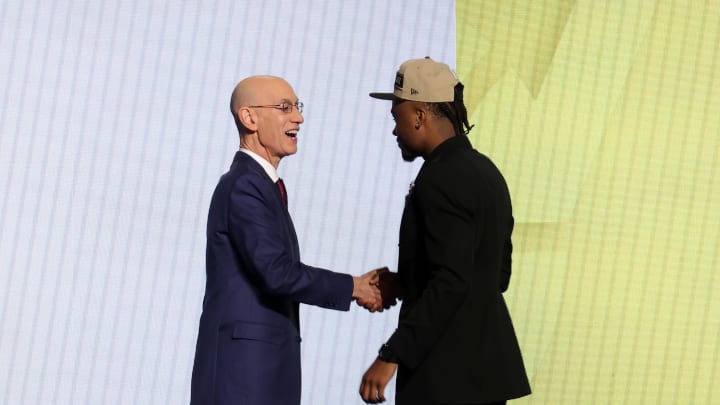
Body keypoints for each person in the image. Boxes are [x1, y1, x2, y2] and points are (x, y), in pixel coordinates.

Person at [190, 75, 383, 405]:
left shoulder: (263, 186)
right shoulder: (244, 186)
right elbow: (276, 272)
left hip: (262, 371)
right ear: (249, 118)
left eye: (297, 107)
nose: (298, 117)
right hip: (243, 377)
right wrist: (354, 286)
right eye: (284, 108)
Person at [360, 57, 532, 404]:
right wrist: (409, 280)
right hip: (485, 375)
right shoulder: (488, 173)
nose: (395, 130)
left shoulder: (439, 179)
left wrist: (392, 354)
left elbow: (452, 280)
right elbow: (494, 275)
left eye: (398, 116)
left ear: (420, 115)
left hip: (444, 378)